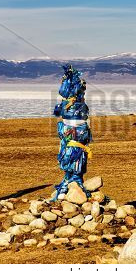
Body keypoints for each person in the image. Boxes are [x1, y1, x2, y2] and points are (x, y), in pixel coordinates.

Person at [52, 64, 92, 201]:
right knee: (72, 151)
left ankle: (72, 180)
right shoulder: (75, 100)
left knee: (72, 151)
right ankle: (72, 179)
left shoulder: (70, 99)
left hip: (73, 129)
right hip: (74, 128)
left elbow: (58, 110)